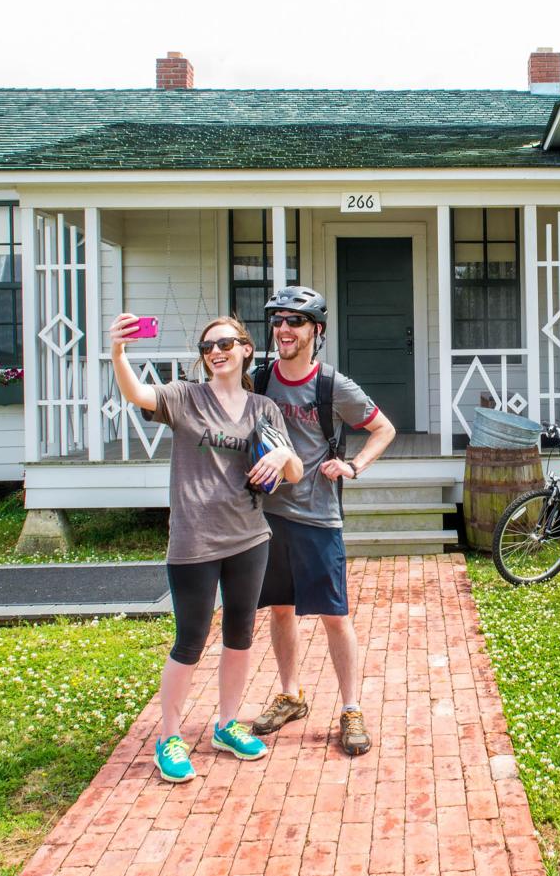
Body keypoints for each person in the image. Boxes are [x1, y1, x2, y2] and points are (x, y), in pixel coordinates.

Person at [110, 312, 303, 783]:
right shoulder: (184, 396)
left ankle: (226, 725)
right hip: (194, 539)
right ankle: (169, 736)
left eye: (225, 343)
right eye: (207, 346)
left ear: (246, 349)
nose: (216, 351)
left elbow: (294, 472)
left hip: (249, 537)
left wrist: (283, 455)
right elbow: (137, 394)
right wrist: (117, 353)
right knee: (190, 642)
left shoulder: (264, 409)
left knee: (240, 636)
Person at [250, 286, 397, 756]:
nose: (284, 330)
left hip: (318, 516)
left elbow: (383, 428)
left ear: (317, 330)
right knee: (280, 609)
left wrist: (353, 466)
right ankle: (291, 695)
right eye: (277, 321)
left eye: (295, 321)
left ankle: (351, 708)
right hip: (268, 515)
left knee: (335, 616)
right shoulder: (259, 378)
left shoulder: (332, 385)